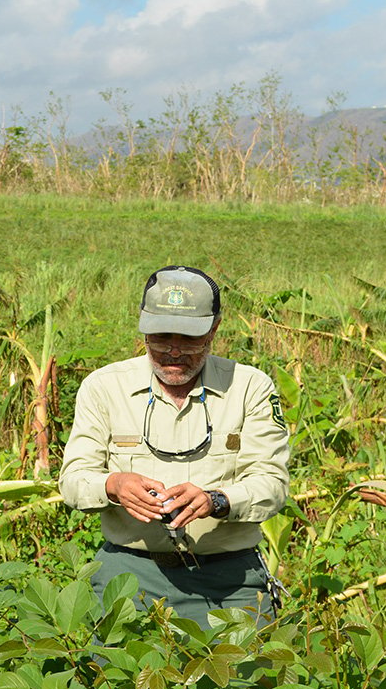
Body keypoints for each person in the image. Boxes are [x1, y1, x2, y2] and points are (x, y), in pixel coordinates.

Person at [59, 265, 290, 628]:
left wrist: (217, 501)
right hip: (128, 575)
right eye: (162, 336)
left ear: (214, 329)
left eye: (190, 338)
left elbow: (273, 485)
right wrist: (113, 486)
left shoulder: (250, 388)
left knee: (247, 680)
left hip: (229, 581)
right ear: (143, 327)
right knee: (113, 680)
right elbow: (72, 480)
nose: (174, 351)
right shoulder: (103, 387)